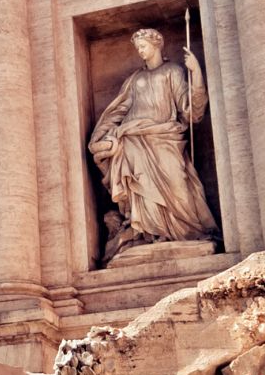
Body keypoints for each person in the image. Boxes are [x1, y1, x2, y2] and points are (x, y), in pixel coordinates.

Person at [88, 27, 217, 258]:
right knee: (141, 187)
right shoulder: (134, 80)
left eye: (143, 46)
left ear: (156, 45)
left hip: (165, 137)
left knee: (178, 186)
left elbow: (191, 112)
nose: (140, 50)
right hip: (133, 140)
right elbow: (118, 111)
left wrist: (196, 72)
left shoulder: (173, 72)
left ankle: (189, 231)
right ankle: (148, 234)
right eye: (138, 47)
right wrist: (104, 135)